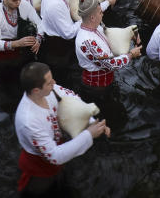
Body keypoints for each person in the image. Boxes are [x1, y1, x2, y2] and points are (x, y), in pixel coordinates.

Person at [14, 62, 109, 196]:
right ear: (36, 90)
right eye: (49, 82)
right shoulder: (29, 121)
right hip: (40, 165)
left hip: (57, 145)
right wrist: (89, 134)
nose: (54, 82)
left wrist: (92, 122)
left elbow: (72, 100)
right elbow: (54, 156)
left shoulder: (49, 90)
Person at [74, 0, 140, 89]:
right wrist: (131, 54)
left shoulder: (96, 25)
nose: (103, 14)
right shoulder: (87, 42)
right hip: (96, 84)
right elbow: (111, 64)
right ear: (92, 18)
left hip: (105, 77)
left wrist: (129, 35)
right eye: (100, 12)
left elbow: (108, 33)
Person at [39, 0, 80, 74]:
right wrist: (83, 21)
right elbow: (68, 33)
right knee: (63, 75)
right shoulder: (55, 5)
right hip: (58, 49)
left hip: (53, 40)